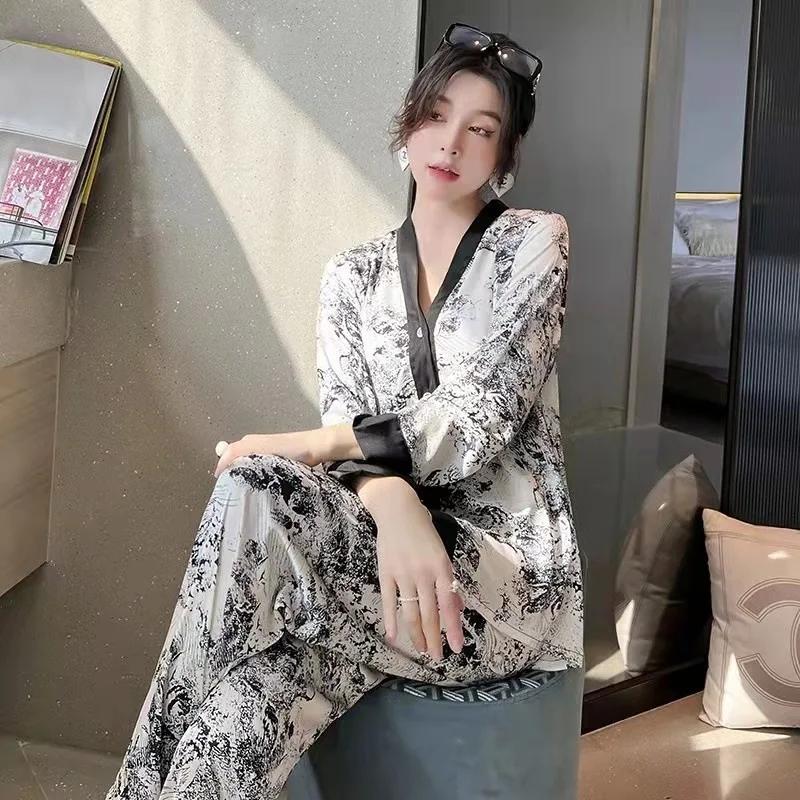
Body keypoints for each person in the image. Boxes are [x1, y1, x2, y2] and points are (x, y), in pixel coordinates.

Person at [105, 21, 584, 800]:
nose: (450, 142)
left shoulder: (533, 244)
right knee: (245, 704)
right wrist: (397, 506)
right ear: (408, 125)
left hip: (502, 584)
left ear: (504, 155)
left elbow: (477, 418)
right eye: (436, 115)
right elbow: (351, 413)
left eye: (480, 128)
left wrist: (310, 445)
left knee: (258, 481)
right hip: (377, 558)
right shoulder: (351, 275)